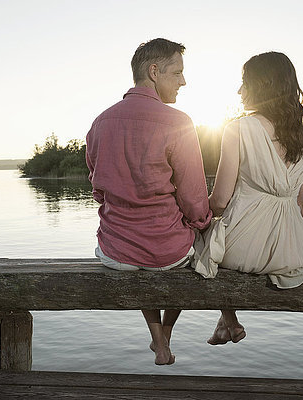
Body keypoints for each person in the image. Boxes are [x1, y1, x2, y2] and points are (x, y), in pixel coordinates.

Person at [197, 51, 303, 345]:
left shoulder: (237, 128)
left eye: (244, 82)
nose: (239, 90)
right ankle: (227, 323)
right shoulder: (302, 136)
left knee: (200, 240)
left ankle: (229, 320)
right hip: (289, 249)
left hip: (244, 248)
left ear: (261, 85)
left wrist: (195, 208)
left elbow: (221, 200)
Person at [86, 38, 212, 365]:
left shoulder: (100, 122)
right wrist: (201, 225)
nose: (183, 81)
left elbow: (98, 189)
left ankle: (157, 338)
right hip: (167, 252)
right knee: (195, 244)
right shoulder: (178, 122)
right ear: (154, 72)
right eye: (177, 73)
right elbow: (194, 199)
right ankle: (165, 334)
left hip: (116, 253)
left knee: (138, 253)